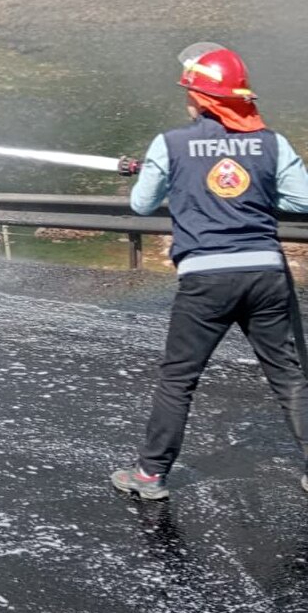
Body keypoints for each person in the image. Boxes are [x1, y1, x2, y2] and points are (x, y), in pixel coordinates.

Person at [111, 43, 308, 501]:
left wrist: (167, 179)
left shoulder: (170, 143)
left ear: (200, 99)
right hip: (265, 274)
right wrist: (252, 196)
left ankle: (150, 475)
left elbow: (142, 205)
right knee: (289, 375)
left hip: (206, 279)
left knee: (179, 378)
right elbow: (303, 201)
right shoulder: (272, 142)